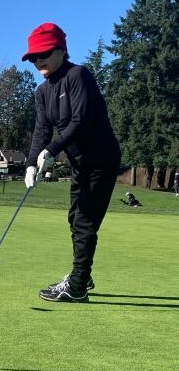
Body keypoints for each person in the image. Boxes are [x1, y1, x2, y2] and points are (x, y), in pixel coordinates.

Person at [22, 23, 121, 303]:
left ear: (60, 51)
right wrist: (30, 164)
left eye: (43, 54)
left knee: (84, 220)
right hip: (80, 162)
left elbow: (80, 121)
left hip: (101, 158)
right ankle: (82, 274)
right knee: (74, 217)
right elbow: (42, 130)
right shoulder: (42, 92)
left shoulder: (78, 76)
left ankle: (77, 286)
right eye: (33, 57)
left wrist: (52, 151)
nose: (37, 60)